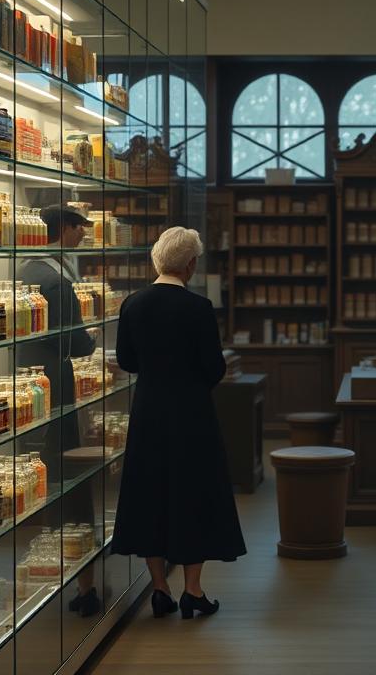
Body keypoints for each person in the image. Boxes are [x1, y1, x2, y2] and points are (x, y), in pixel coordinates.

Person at [110, 226, 246, 620]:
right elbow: (214, 367)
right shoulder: (198, 307)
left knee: (149, 493)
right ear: (190, 265)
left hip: (148, 411)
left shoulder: (133, 304)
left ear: (157, 260)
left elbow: (127, 360)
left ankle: (159, 589)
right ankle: (193, 590)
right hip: (191, 413)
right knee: (193, 493)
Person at [17, 204, 100, 617]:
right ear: (65, 229)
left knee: (43, 472)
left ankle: (51, 558)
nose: (84, 234)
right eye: (80, 227)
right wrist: (94, 336)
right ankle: (80, 567)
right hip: (60, 385)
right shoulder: (57, 280)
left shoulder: (26, 271)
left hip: (28, 383)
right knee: (69, 473)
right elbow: (76, 343)